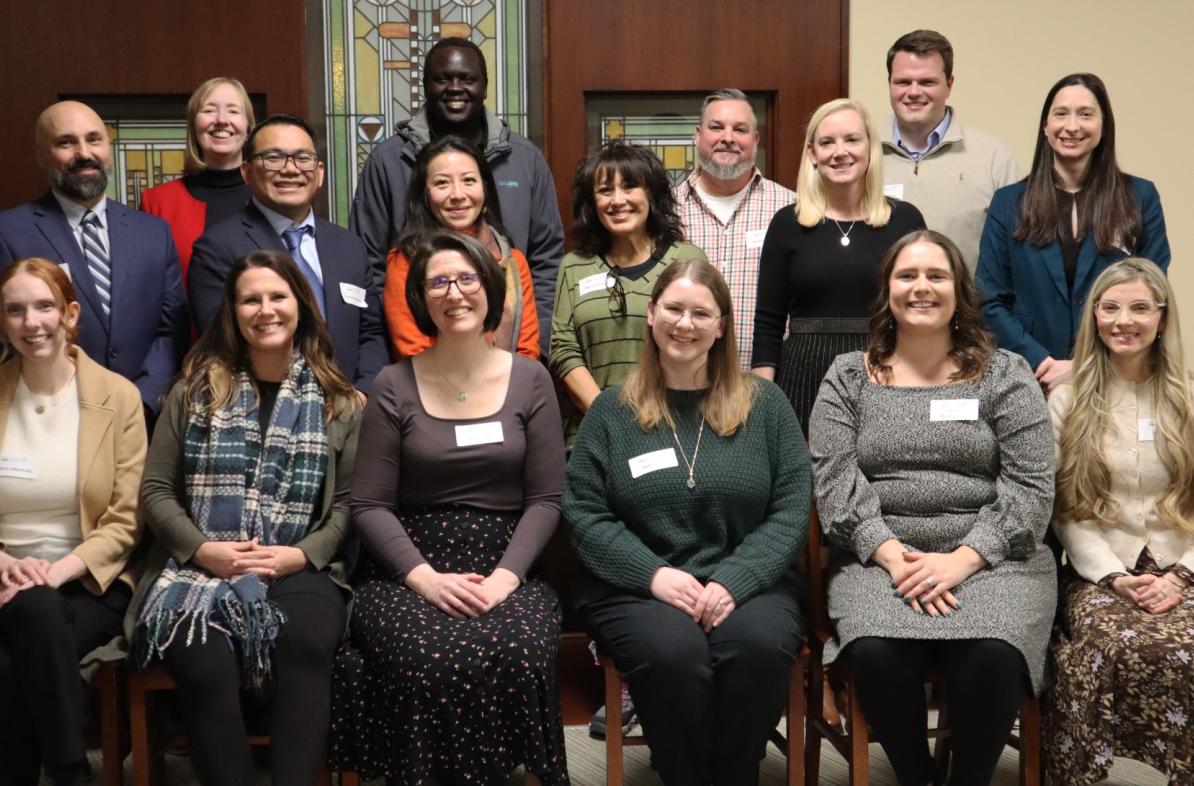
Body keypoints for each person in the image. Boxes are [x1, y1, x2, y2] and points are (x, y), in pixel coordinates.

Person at [809, 230, 1056, 786]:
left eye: (936, 276)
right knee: (872, 651)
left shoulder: (1006, 373)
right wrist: (896, 557)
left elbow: (1031, 485)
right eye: (907, 276)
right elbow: (834, 481)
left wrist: (964, 559)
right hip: (881, 558)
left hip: (998, 559)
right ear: (887, 290)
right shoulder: (848, 377)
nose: (922, 287)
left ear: (958, 290)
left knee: (993, 653)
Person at [329, 231, 568, 785]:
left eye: (466, 278)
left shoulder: (532, 379)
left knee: (518, 650)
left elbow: (546, 499)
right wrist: (426, 580)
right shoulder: (392, 383)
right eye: (439, 281)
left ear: (489, 289)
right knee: (431, 658)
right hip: (407, 566)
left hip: (508, 562)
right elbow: (369, 504)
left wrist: (505, 579)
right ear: (421, 299)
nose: (454, 292)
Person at [565, 258, 808, 786]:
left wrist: (735, 580)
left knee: (758, 648)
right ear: (651, 315)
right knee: (672, 652)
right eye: (673, 309)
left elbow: (791, 507)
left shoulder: (766, 405)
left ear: (722, 324)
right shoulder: (611, 411)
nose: (685, 324)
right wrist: (654, 575)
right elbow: (584, 513)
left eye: (702, 312)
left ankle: (734, 773)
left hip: (750, 581)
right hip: (637, 587)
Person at [128, 250, 362, 786]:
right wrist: (203, 550)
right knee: (202, 658)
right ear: (232, 313)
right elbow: (157, 491)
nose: (265, 310)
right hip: (200, 572)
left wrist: (302, 554)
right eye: (249, 299)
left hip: (299, 567)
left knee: (304, 643)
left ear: (300, 305)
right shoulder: (193, 393)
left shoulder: (340, 403)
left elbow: (351, 505)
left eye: (277, 296)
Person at [1046, 258, 1194, 784]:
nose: (1122, 320)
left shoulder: (1189, 397)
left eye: (1138, 308)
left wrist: (1180, 576)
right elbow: (1064, 507)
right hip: (1100, 572)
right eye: (1109, 308)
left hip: (1184, 565)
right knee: (1117, 644)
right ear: (1094, 318)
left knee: (1186, 646)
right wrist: (1113, 576)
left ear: (1162, 318)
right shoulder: (1066, 400)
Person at [0, 258, 146, 786]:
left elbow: (127, 520)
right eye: (15, 311)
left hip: (88, 582)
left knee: (19, 647)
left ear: (70, 313)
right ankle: (69, 772)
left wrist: (51, 573)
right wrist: (6, 565)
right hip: (2, 579)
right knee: (25, 638)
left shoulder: (119, 397)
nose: (31, 323)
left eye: (44, 307)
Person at [351, 36, 564, 354]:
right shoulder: (388, 160)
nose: (454, 88)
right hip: (415, 361)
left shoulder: (524, 159)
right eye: (442, 79)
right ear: (425, 87)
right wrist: (394, 360)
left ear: (485, 87)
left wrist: (534, 352)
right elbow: (369, 265)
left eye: (467, 78)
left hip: (512, 359)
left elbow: (547, 261)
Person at [976, 73, 1170, 395]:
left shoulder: (1140, 197)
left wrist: (1084, 366)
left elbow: (1152, 294)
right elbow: (989, 299)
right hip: (1030, 379)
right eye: (1061, 114)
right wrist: (1041, 362)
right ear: (1045, 126)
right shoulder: (1010, 202)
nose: (1072, 126)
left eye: (1085, 114)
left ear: (1104, 125)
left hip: (1116, 374)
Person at [0, 100, 189, 420]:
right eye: (66, 142)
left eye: (94, 139)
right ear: (41, 153)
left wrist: (138, 401)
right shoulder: (9, 232)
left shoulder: (153, 232)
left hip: (142, 418)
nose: (84, 153)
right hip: (47, 417)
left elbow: (170, 331)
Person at [752, 98, 924, 431]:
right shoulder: (787, 224)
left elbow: (923, 310)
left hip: (887, 369)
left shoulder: (905, 220)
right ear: (812, 154)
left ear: (870, 148)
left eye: (851, 140)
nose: (839, 151)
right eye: (827, 142)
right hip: (803, 374)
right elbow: (769, 322)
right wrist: (764, 400)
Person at [188, 114, 387, 395]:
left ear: (319, 172)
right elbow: (222, 344)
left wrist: (363, 393)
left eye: (302, 158)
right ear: (246, 172)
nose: (290, 169)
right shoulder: (217, 248)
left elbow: (371, 333)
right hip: (265, 410)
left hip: (350, 409)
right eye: (273, 158)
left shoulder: (348, 246)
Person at [550, 141, 707, 447]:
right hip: (593, 435)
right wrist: (609, 419)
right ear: (591, 202)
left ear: (651, 194)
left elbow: (704, 340)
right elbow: (564, 351)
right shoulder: (573, 267)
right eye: (605, 190)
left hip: (675, 428)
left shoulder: (687, 260)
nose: (618, 200)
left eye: (630, 186)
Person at [382, 135, 539, 360]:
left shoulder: (512, 260)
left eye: (468, 181)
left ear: (484, 190)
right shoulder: (406, 261)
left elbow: (527, 353)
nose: (457, 195)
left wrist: (501, 387)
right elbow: (413, 352)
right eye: (442, 183)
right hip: (432, 389)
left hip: (511, 389)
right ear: (425, 195)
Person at [674, 88, 795, 370]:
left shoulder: (791, 209)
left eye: (739, 129)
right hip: (679, 384)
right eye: (716, 127)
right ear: (698, 134)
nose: (727, 138)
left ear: (755, 140)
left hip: (766, 383)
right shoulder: (665, 210)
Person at [881, 30, 1020, 272]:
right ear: (889, 84)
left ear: (949, 84)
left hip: (971, 309)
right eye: (903, 82)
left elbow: (1018, 250)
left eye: (927, 82)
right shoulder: (862, 157)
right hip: (881, 308)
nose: (914, 92)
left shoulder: (993, 158)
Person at [140, 77, 255, 283]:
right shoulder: (157, 202)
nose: (221, 119)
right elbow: (148, 285)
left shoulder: (270, 196)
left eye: (233, 111)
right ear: (194, 126)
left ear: (248, 128)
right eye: (209, 110)